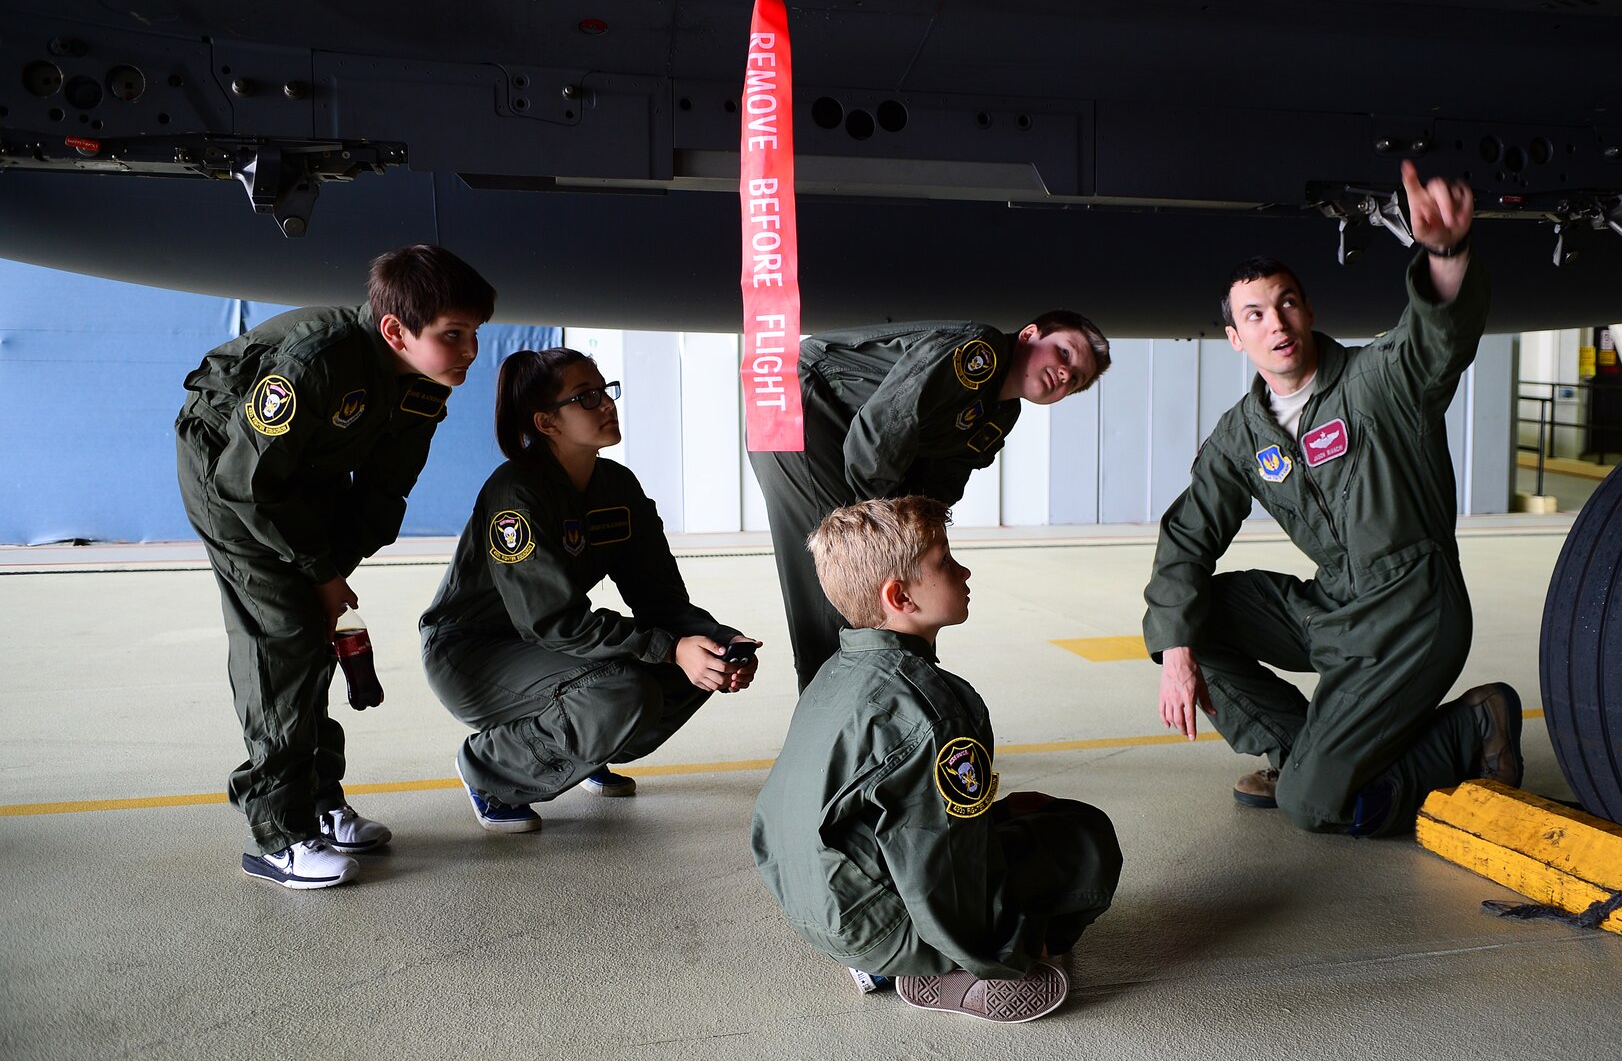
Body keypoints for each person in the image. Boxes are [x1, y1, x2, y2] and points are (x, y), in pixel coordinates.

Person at [1144, 161, 1523, 837]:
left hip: (1411, 612)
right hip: (1334, 604)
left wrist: (1445, 254)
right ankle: (1301, 752)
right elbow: (1187, 537)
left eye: (1287, 302)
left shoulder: (1377, 382)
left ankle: (1470, 727)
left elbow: (1437, 339)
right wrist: (1177, 651)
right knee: (1183, 619)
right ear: (1235, 336)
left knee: (1314, 807)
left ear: (1309, 308)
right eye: (1255, 314)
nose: (1276, 322)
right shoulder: (1243, 432)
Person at [175, 243, 495, 889]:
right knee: (283, 637)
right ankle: (276, 834)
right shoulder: (315, 360)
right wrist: (317, 574)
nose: (468, 351)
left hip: (301, 478)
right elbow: (249, 480)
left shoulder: (424, 383)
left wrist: (333, 572)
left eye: (475, 334)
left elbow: (383, 491)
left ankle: (319, 803)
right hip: (232, 478)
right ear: (395, 330)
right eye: (452, 335)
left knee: (314, 634)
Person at [751, 497, 1122, 1024]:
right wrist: (997, 958)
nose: (964, 570)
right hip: (872, 923)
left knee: (1021, 812)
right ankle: (941, 969)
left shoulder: (835, 671)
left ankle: (886, 950)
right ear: (900, 596)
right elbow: (940, 862)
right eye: (945, 562)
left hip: (812, 901)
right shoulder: (935, 709)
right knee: (1084, 837)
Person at [420, 348, 758, 834]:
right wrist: (668, 648)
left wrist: (716, 641)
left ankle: (580, 751)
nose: (606, 404)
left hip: (547, 648)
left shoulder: (617, 486)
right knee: (626, 689)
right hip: (473, 653)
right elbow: (551, 620)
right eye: (586, 397)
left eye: (605, 391)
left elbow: (660, 600)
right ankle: (491, 770)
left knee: (693, 666)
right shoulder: (514, 494)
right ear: (547, 422)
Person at [750, 314, 1111, 690]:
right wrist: (876, 528)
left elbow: (939, 486)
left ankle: (898, 692)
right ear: (1030, 335)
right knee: (838, 573)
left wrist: (917, 540)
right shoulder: (981, 349)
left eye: (1078, 379)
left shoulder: (1000, 414)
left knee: (908, 569)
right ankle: (830, 711)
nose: (1067, 374)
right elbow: (883, 429)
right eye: (1065, 352)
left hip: (849, 438)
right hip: (799, 399)